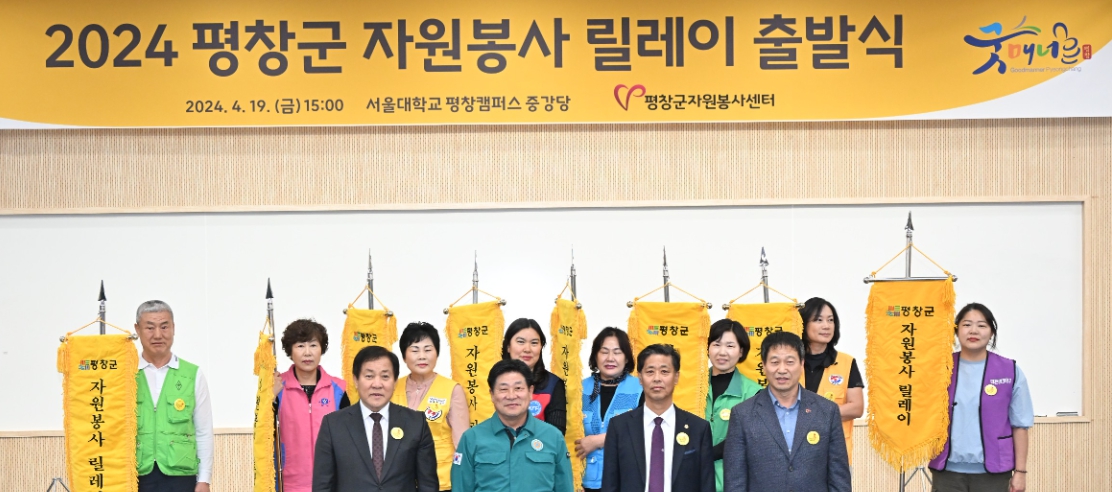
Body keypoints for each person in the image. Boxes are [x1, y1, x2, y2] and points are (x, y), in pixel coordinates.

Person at [722, 331, 850, 492]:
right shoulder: (742, 415)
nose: (782, 369)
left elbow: (839, 479)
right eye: (775, 362)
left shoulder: (827, 411)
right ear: (764, 366)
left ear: (802, 364)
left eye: (790, 362)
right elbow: (735, 482)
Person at [928, 303, 1033, 492]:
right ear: (956, 330)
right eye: (967, 324)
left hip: (993, 473)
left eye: (982, 325)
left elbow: (1020, 425)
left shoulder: (1009, 370)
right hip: (947, 472)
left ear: (991, 332)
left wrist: (1020, 472)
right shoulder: (940, 369)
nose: (973, 331)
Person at [312, 346, 438, 492]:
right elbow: (323, 486)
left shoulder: (416, 423)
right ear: (356, 380)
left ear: (395, 382)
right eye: (369, 376)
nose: (377, 384)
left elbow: (428, 485)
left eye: (385, 376)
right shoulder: (333, 425)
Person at [601, 344, 714, 492]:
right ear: (640, 378)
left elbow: (706, 485)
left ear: (676, 377)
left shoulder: (699, 428)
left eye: (664, 371)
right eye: (650, 372)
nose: (657, 378)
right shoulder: (619, 427)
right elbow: (610, 485)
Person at [451, 359, 574, 492]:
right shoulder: (471, 438)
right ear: (492, 394)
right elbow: (460, 487)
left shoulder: (553, 437)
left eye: (518, 388)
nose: (511, 396)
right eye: (503, 389)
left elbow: (565, 487)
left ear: (530, 392)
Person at [133, 300, 214, 492]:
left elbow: (203, 431)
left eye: (164, 327)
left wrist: (204, 479)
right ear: (137, 330)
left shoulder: (192, 374)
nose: (158, 335)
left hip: (181, 476)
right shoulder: (125, 374)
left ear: (173, 328)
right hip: (135, 475)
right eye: (150, 328)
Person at [271, 319, 348, 492]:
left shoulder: (339, 389)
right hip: (288, 484)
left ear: (321, 349)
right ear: (290, 351)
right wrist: (270, 398)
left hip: (331, 483)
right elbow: (264, 431)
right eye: (300, 346)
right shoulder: (277, 388)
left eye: (313, 345)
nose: (307, 352)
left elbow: (349, 439)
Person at [391, 321, 469, 492]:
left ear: (437, 354)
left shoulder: (452, 389)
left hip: (441, 480)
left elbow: (462, 443)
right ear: (404, 356)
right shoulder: (392, 387)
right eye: (414, 350)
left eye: (428, 350)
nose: (422, 356)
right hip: (399, 480)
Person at [799, 297, 864, 464]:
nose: (826, 326)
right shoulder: (791, 362)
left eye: (830, 320)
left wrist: (815, 414)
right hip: (796, 454)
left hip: (835, 455)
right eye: (818, 320)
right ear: (803, 324)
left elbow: (856, 407)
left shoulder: (846, 362)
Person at [578, 327, 643, 492]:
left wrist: (598, 440)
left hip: (625, 482)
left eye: (617, 352)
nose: (610, 358)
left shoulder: (640, 388)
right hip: (584, 483)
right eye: (604, 352)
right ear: (595, 356)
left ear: (627, 358)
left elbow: (645, 432)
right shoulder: (578, 389)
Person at [705, 319, 762, 492]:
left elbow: (747, 439)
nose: (722, 352)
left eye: (730, 346)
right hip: (693, 479)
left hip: (733, 483)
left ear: (741, 351)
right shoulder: (692, 387)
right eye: (716, 344)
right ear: (707, 348)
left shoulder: (754, 392)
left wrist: (704, 454)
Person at [502, 317, 567, 434]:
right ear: (508, 346)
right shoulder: (493, 381)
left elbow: (556, 435)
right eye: (520, 342)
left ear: (541, 347)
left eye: (534, 343)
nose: (527, 349)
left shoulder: (553, 384)